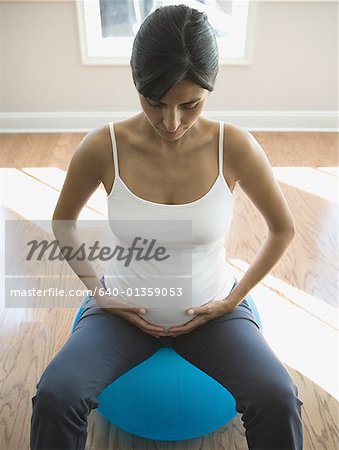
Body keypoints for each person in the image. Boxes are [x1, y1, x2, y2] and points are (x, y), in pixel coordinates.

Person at [30, 4, 303, 449]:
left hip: (213, 313)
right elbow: (63, 222)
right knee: (56, 395)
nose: (171, 122)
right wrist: (101, 294)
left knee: (278, 397)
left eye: (190, 104)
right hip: (124, 313)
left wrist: (233, 299)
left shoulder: (233, 147)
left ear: (210, 88)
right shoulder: (104, 147)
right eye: (155, 102)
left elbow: (282, 229)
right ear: (136, 83)